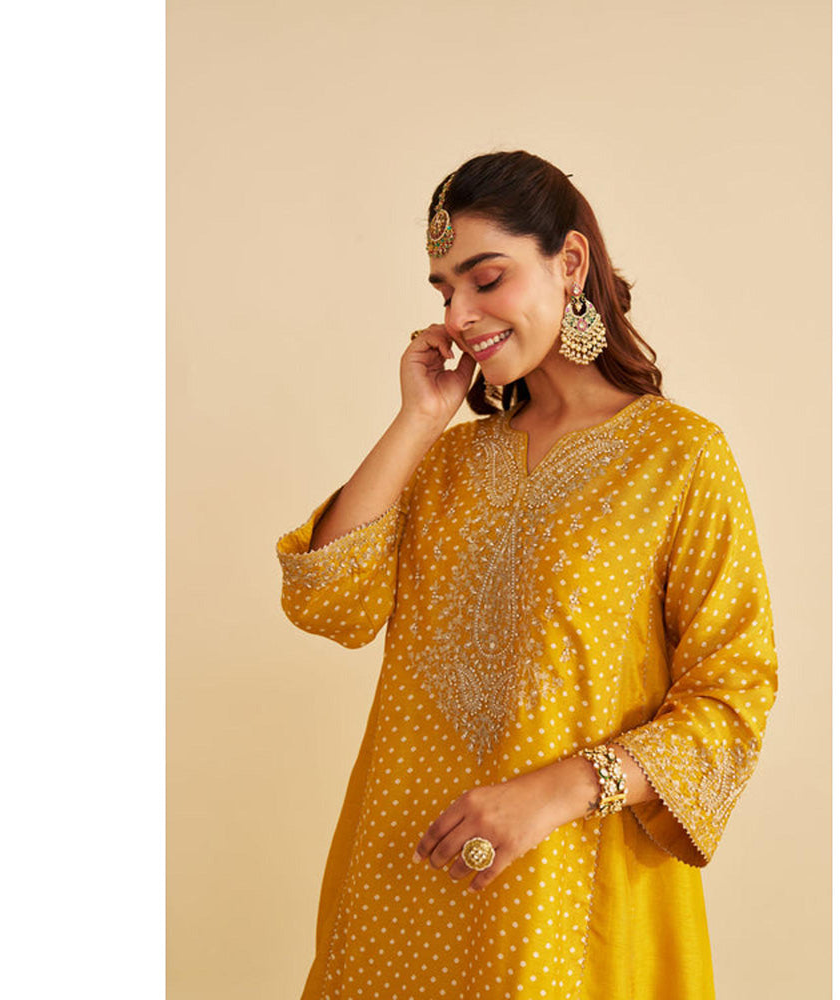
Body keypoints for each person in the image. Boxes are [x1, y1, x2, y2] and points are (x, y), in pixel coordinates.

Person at [275, 150, 779, 999]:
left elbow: (734, 697)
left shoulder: (679, 457)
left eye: (487, 279)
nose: (459, 315)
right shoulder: (445, 463)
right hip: (403, 886)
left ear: (569, 262)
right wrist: (419, 419)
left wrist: (556, 791)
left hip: (565, 893)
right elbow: (326, 601)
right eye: (444, 292)